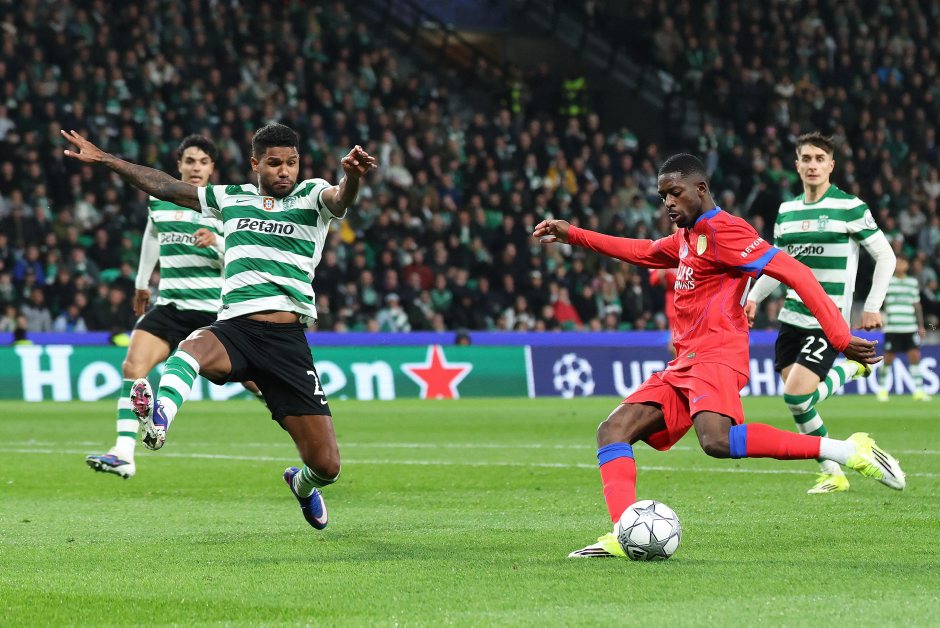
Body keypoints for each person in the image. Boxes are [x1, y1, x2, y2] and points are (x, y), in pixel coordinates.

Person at [533, 153, 905, 559]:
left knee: (717, 440)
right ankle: (624, 533)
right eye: (662, 196)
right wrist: (574, 235)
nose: (668, 203)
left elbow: (796, 272)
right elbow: (643, 252)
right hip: (685, 361)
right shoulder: (688, 235)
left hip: (717, 353)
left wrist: (839, 336)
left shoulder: (726, 231)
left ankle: (848, 451)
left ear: (701, 189)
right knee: (613, 431)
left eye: (675, 193)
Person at [62, 123, 377, 529]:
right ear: (255, 164)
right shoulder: (230, 197)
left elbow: (341, 196)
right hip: (236, 328)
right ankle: (158, 421)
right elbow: (166, 187)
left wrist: (352, 177)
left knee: (327, 466)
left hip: (287, 342)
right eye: (274, 163)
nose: (284, 171)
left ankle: (300, 485)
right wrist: (106, 159)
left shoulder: (313, 194)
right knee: (190, 350)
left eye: (291, 163)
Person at [744, 132, 896, 494]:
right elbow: (778, 265)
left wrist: (872, 306)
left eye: (819, 159)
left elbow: (886, 256)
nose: (813, 165)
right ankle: (833, 473)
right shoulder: (787, 211)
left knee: (796, 396)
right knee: (800, 406)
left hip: (827, 320)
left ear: (831, 165)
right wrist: (753, 298)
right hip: (791, 319)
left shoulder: (850, 207)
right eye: (807, 158)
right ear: (797, 165)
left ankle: (853, 367)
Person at [85, 135, 227, 479]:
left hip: (213, 313)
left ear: (212, 168)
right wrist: (141, 282)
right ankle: (123, 453)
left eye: (203, 162)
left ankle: (308, 437)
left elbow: (243, 258)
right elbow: (152, 236)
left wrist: (218, 242)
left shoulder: (222, 205)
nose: (196, 168)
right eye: (190, 161)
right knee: (133, 366)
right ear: (179, 165)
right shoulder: (160, 201)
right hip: (171, 306)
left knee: (258, 383)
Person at [877, 255, 931, 402]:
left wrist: (921, 326)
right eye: (898, 262)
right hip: (892, 327)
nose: (900, 264)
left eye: (903, 262)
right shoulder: (888, 281)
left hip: (909, 326)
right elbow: (879, 300)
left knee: (914, 356)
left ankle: (918, 391)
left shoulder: (912, 282)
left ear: (907, 265)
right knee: (888, 359)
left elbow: (917, 305)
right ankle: (882, 390)